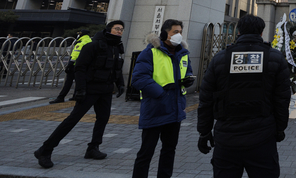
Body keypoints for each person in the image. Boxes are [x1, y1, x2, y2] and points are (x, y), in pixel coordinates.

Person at [197, 14, 290, 178]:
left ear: (238, 32)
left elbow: (206, 99)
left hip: (226, 139)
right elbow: (282, 99)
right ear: (261, 33)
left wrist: (204, 132)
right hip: (262, 138)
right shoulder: (274, 58)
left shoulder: (220, 59)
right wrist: (280, 128)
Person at [34, 20, 126, 169]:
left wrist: (120, 84)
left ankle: (93, 148)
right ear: (108, 29)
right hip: (90, 89)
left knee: (103, 118)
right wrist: (81, 89)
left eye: (121, 29)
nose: (120, 31)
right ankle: (45, 150)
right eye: (117, 29)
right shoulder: (92, 46)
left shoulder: (116, 48)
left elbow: (117, 68)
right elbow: (80, 68)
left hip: (106, 90)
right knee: (73, 119)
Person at [131, 19, 194, 178]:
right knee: (146, 152)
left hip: (175, 110)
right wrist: (161, 93)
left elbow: (187, 72)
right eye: (175, 32)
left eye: (180, 32)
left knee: (169, 150)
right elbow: (139, 78)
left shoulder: (183, 53)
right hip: (155, 108)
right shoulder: (151, 52)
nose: (178, 35)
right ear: (165, 33)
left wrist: (188, 79)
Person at [50, 29, 92, 104]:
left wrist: (70, 63)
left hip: (75, 64)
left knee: (68, 81)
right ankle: (75, 96)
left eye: (79, 34)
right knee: (78, 81)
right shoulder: (89, 41)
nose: (78, 35)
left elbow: (76, 53)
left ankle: (61, 97)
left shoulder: (81, 42)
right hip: (84, 65)